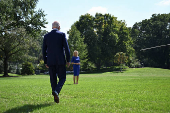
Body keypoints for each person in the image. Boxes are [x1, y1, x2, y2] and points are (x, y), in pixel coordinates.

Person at [42, 21, 70, 103]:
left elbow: (43, 50)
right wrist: (68, 60)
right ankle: (56, 91)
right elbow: (67, 48)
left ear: (52, 27)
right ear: (59, 27)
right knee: (62, 78)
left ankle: (55, 95)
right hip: (60, 61)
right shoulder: (62, 35)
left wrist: (45, 61)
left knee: (53, 79)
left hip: (50, 61)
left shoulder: (46, 36)